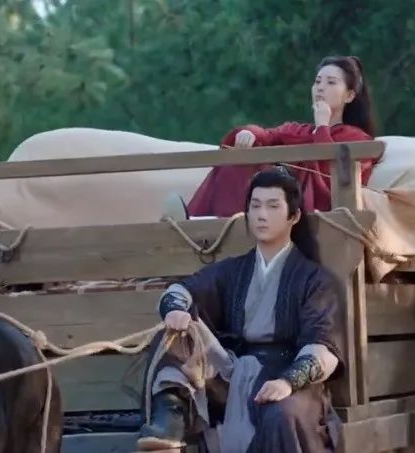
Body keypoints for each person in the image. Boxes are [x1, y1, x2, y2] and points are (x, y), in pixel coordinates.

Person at [137, 168, 343, 452]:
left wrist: (287, 382)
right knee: (177, 333)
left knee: (280, 414)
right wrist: (175, 310)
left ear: (294, 216)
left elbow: (322, 347)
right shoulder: (233, 270)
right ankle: (170, 420)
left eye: (273, 206)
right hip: (234, 373)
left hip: (289, 375)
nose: (261, 215)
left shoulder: (314, 279)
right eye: (255, 206)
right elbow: (181, 290)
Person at [186, 55, 379, 217]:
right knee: (235, 162)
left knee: (260, 178)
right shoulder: (298, 130)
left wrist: (322, 126)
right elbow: (267, 135)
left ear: (349, 96)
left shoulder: (357, 138)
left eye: (331, 82)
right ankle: (199, 222)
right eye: (317, 81)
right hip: (271, 202)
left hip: (305, 209)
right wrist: (249, 133)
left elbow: (332, 181)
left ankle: (213, 223)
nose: (320, 87)